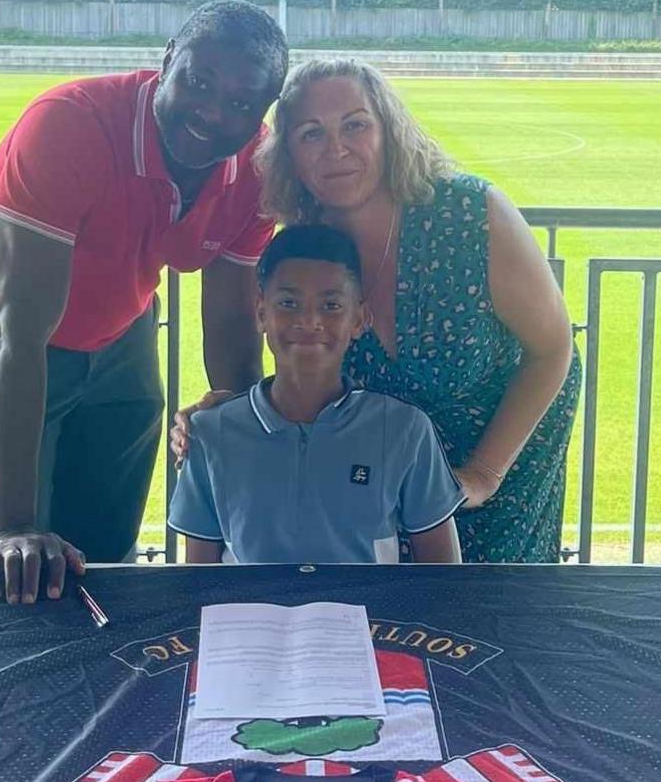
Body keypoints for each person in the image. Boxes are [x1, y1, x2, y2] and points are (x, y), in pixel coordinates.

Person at [0, 0, 288, 603]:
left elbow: (230, 318)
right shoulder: (70, 124)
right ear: (167, 61)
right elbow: (16, 333)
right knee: (6, 566)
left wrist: (237, 415)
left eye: (240, 103)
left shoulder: (258, 167)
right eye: (198, 82)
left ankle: (97, 692)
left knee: (104, 558)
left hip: (121, 325)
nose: (210, 112)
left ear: (262, 111)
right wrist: (13, 525)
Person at [174, 59, 581, 563]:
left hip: (503, 458)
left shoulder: (470, 216)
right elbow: (301, 363)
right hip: (386, 475)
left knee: (495, 617)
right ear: (289, 156)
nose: (336, 149)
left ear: (389, 129)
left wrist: (483, 474)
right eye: (311, 134)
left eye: (355, 125)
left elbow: (553, 349)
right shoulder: (306, 248)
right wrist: (226, 413)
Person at [169, 225, 464, 564]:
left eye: (331, 305)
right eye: (289, 303)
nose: (309, 320)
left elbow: (443, 575)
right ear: (261, 312)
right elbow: (197, 577)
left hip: (368, 616)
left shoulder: (404, 430)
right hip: (250, 617)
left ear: (360, 318)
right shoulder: (210, 433)